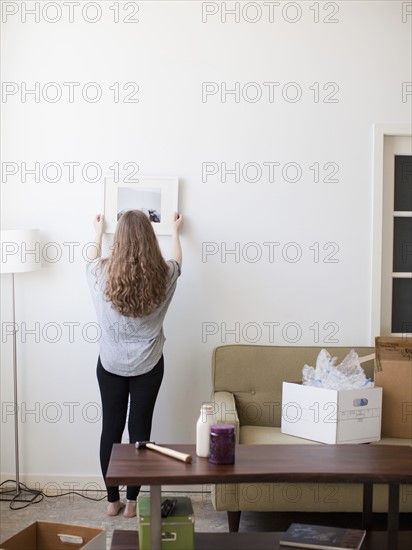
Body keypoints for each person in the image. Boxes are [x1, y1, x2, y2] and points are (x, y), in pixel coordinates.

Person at [86, 210, 183, 518]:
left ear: (121, 240)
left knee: (110, 431)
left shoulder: (100, 274)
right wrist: (176, 230)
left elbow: (89, 258)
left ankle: (111, 501)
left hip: (110, 365)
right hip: (149, 367)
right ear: (150, 239)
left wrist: (98, 231)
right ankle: (131, 504)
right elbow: (178, 262)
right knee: (140, 432)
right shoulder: (163, 277)